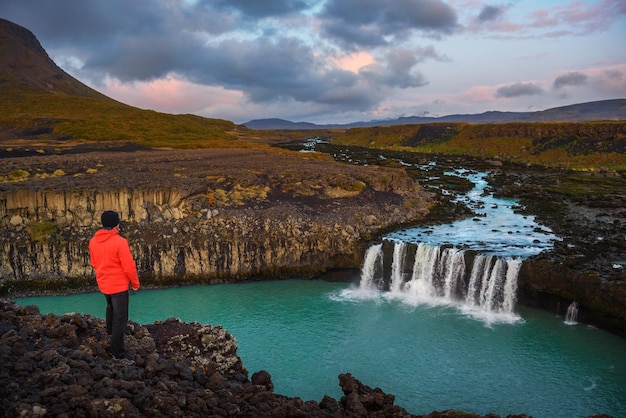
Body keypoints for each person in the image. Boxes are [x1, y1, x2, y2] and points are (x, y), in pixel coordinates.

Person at [89, 210, 140, 366]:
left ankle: (111, 335)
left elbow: (94, 263)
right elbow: (129, 266)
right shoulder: (119, 242)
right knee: (121, 318)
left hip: (104, 283)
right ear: (116, 224)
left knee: (110, 307)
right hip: (118, 285)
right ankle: (117, 354)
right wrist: (135, 283)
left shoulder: (93, 241)